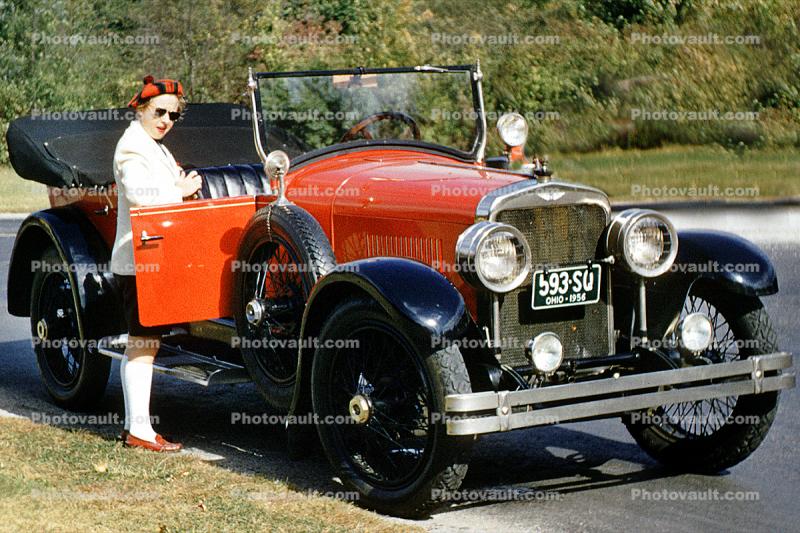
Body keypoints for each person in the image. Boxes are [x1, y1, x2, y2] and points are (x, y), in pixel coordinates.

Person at [110, 75, 202, 452]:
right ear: (141, 109)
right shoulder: (133, 147)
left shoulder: (152, 145)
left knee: (144, 342)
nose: (165, 120)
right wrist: (178, 191)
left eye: (173, 116)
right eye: (159, 112)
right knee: (142, 343)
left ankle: (139, 429)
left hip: (150, 259)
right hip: (137, 261)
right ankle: (139, 432)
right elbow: (140, 196)